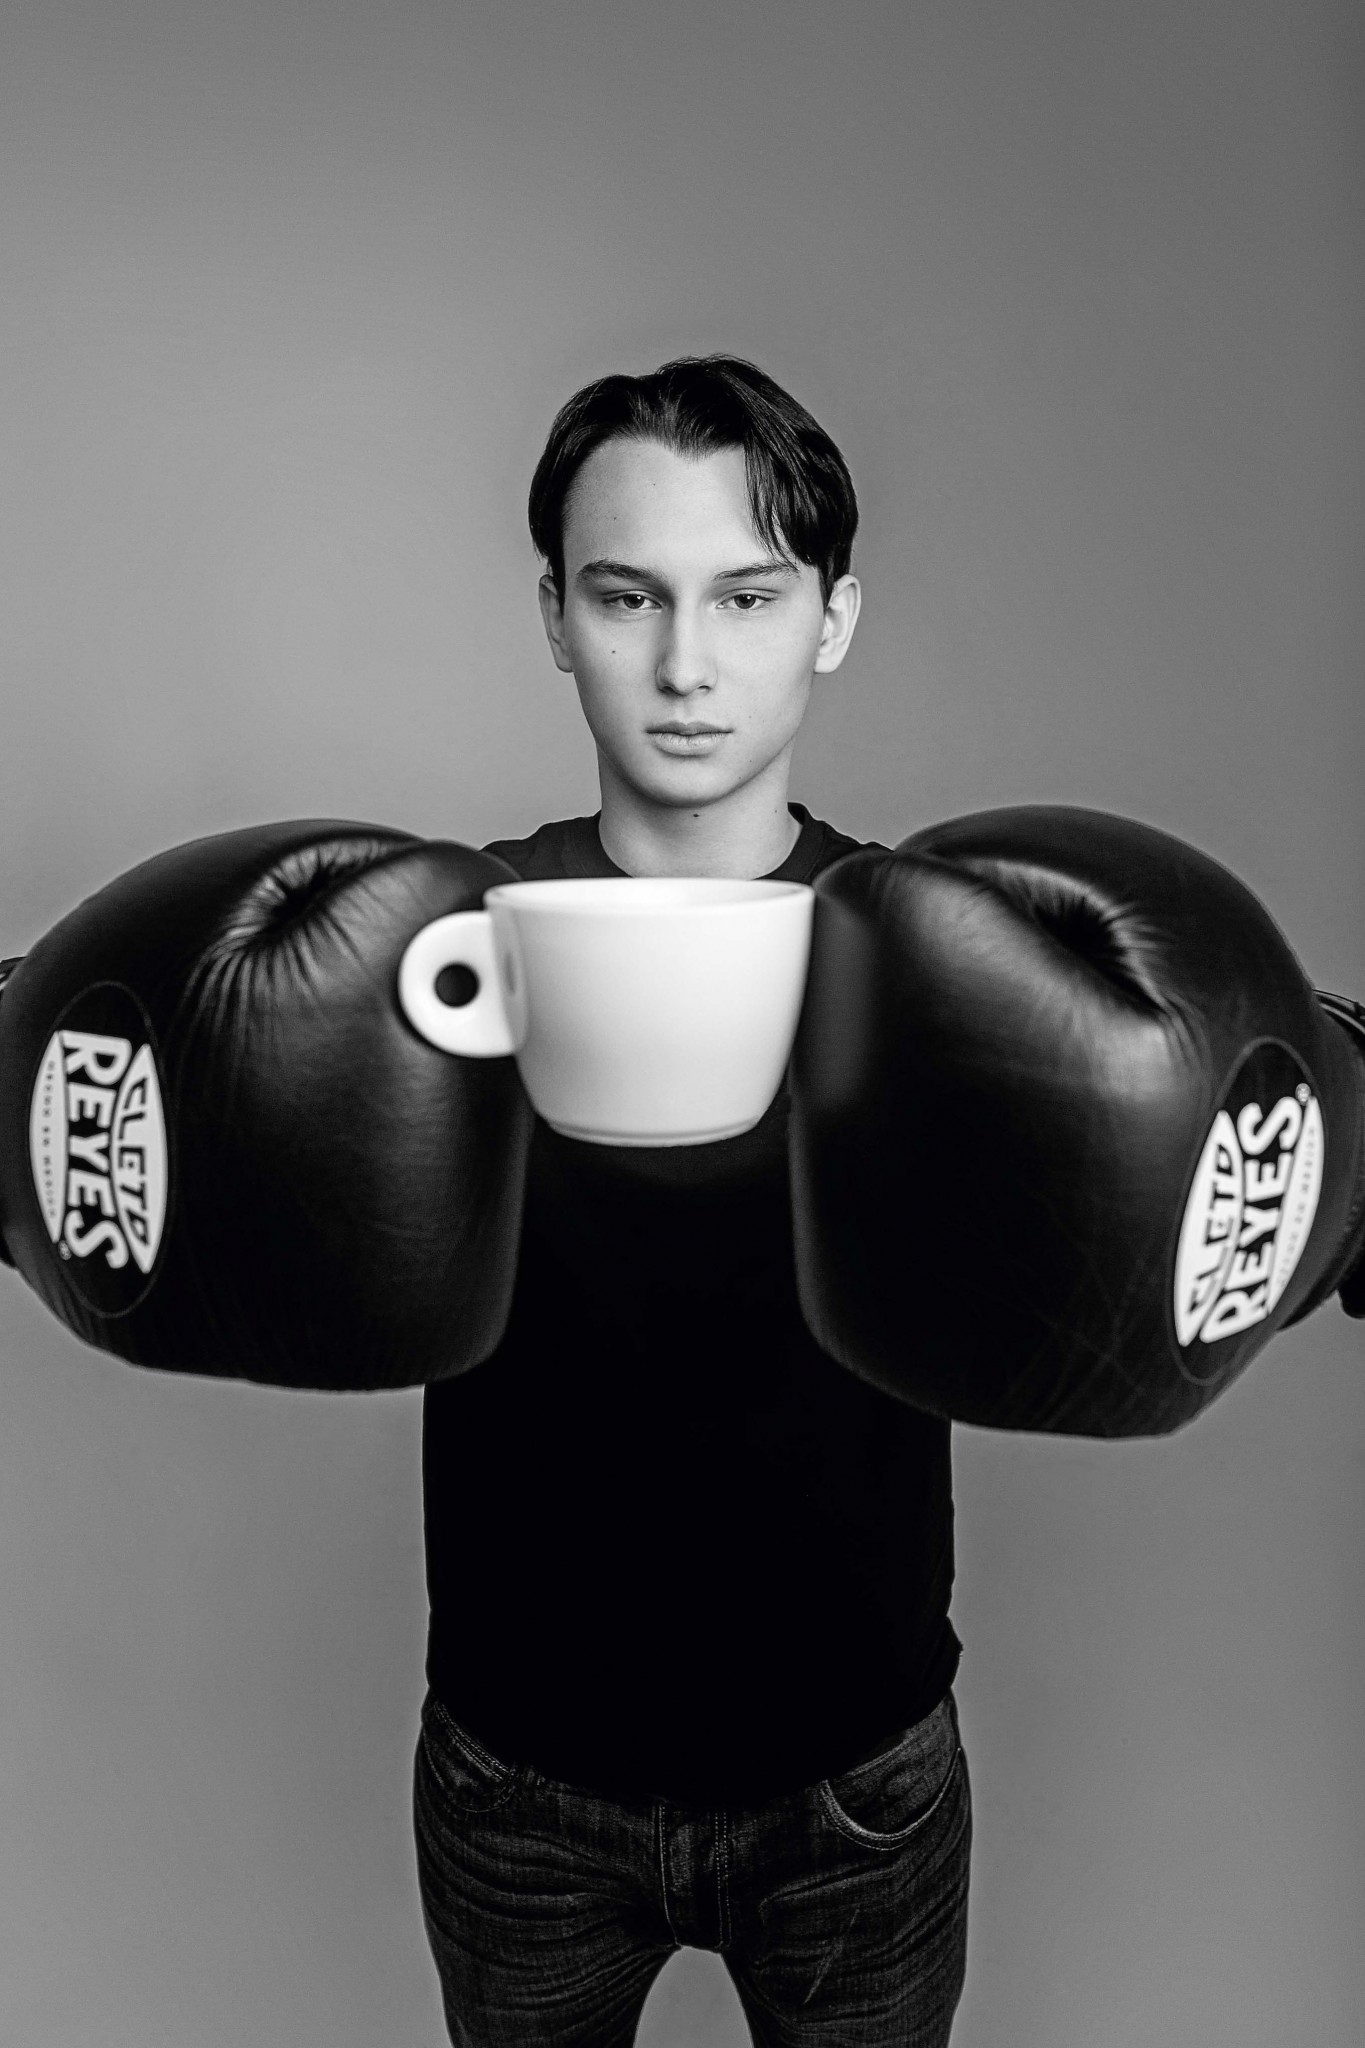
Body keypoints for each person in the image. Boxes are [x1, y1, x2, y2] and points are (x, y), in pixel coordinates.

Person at [414, 357, 971, 2047]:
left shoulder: (934, 963)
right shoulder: (439, 949)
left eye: (746, 595)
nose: (682, 664)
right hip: (520, 1785)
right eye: (625, 596)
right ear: (555, 616)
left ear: (831, 619)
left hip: (853, 1784)